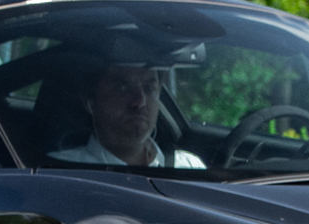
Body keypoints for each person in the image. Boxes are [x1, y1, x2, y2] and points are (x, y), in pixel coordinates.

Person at [49, 60, 205, 168]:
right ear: (89, 101)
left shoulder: (188, 166)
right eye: (122, 88)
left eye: (149, 89)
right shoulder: (60, 170)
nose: (139, 101)